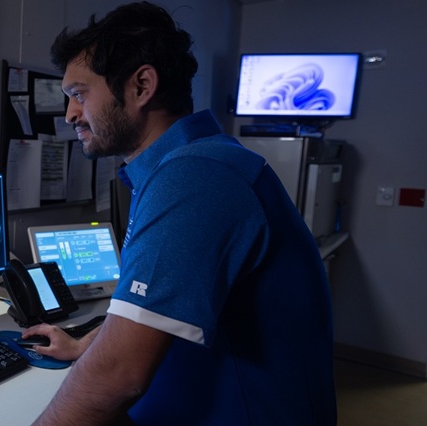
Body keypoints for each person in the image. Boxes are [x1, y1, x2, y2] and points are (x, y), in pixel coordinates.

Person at [21, 2, 336, 424]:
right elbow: (157, 311)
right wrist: (85, 345)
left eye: (80, 94)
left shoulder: (195, 178)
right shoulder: (197, 163)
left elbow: (119, 375)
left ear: (141, 86)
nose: (71, 114)